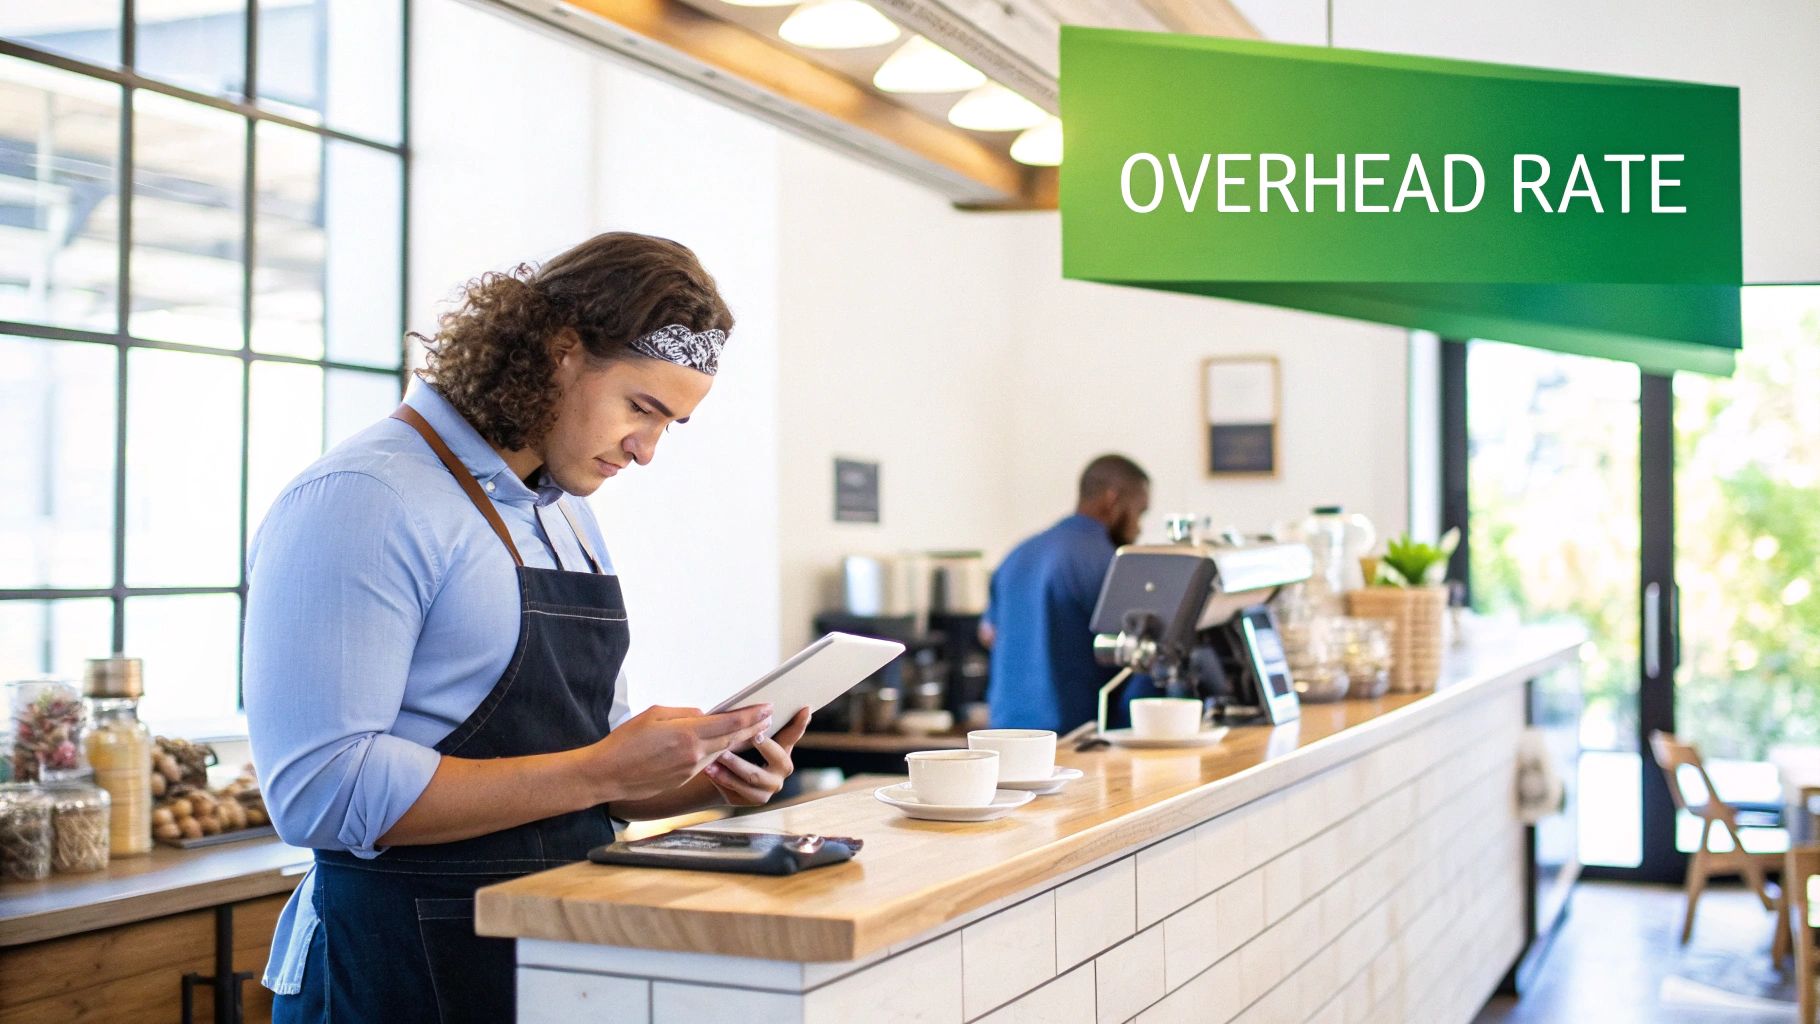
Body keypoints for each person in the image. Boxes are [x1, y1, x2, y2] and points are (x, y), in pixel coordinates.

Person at [244, 232, 810, 1024]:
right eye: (641, 409)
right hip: (393, 968)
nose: (646, 451)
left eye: (670, 425)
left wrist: (701, 777)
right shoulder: (366, 498)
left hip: (551, 952)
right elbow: (322, 794)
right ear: (560, 353)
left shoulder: (566, 515)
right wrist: (607, 771)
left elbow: (583, 772)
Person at [979, 454, 1151, 733]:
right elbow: (1139, 663)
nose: (1139, 527)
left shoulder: (1018, 554)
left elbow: (988, 633)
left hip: (1004, 735)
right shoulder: (1112, 563)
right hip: (1075, 739)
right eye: (1139, 512)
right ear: (1113, 500)